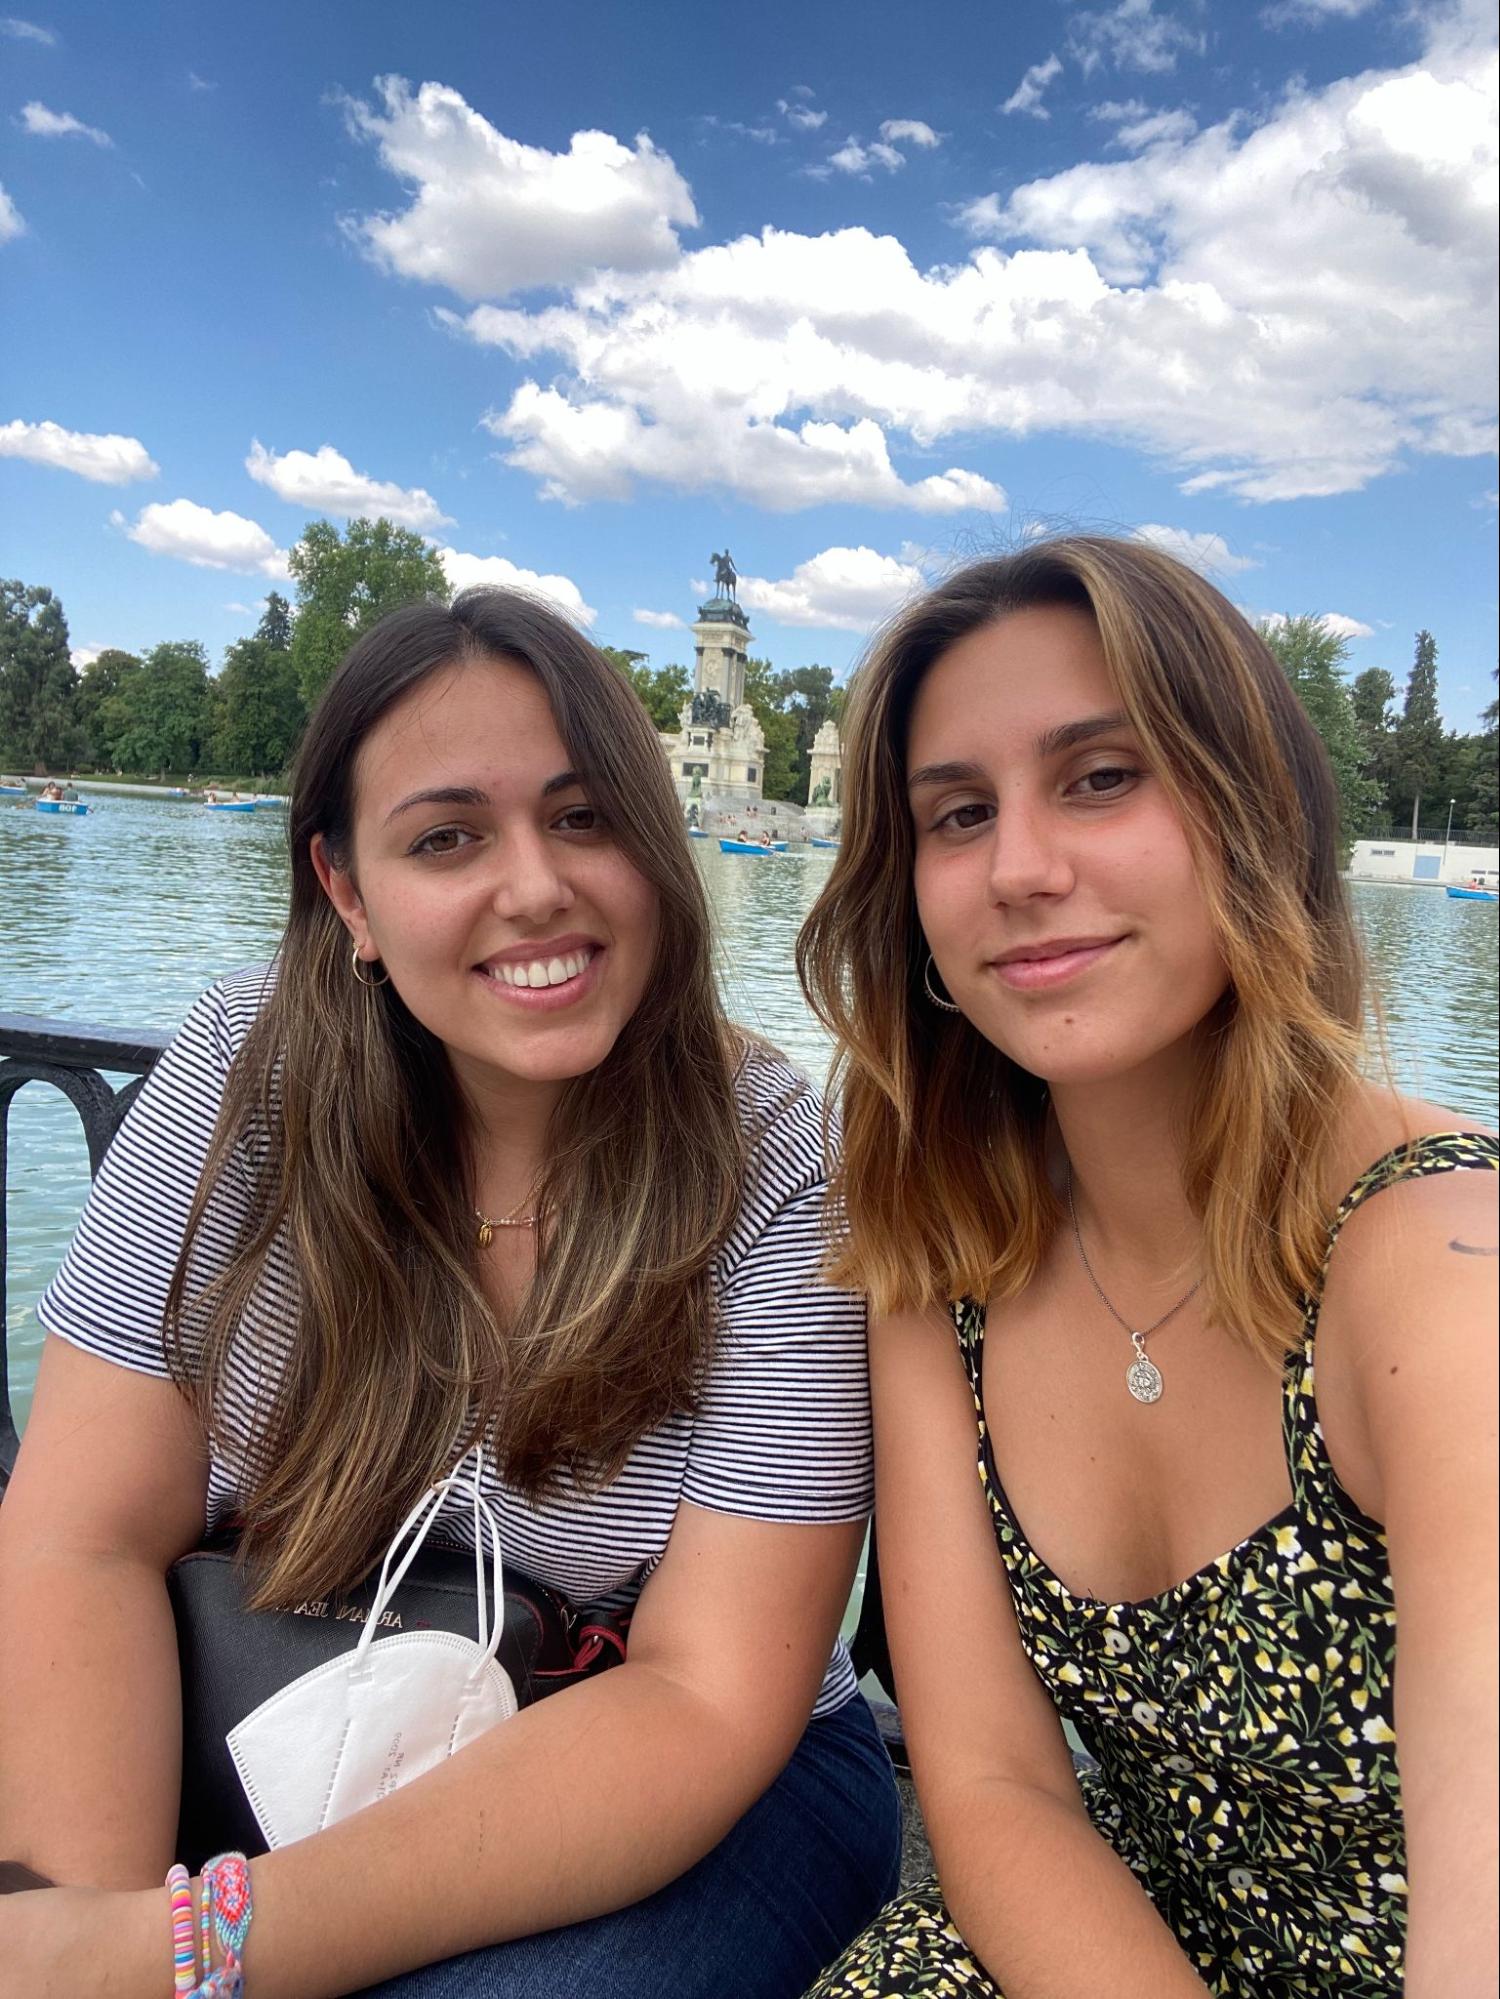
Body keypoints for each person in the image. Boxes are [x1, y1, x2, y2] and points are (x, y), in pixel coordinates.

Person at [0, 588, 900, 1994]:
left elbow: (709, 1698)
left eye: (585, 816)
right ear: (349, 894)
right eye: (446, 838)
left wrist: (174, 1953)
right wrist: (79, 1923)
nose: (534, 885)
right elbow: (81, 1538)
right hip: (275, 1699)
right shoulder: (248, 1070)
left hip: (673, 1772)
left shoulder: (780, 1159)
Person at [795, 537, 1497, 1998]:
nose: (1022, 869)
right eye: (959, 813)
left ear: (1255, 817)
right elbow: (992, 1786)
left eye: (1103, 777)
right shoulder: (946, 1245)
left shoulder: (1440, 1272)